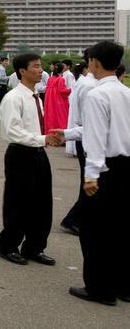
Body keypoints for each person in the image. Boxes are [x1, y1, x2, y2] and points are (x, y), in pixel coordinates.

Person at [67, 41, 130, 306]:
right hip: (126, 166)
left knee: (95, 231)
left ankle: (99, 288)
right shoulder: (126, 93)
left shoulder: (96, 95)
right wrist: (67, 133)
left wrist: (91, 176)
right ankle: (122, 285)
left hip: (104, 168)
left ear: (94, 62)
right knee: (122, 228)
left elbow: (95, 137)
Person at [0, 53, 60, 267]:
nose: (41, 70)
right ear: (22, 71)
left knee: (42, 203)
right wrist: (42, 138)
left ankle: (34, 247)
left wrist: (45, 139)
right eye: (36, 66)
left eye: (41, 66)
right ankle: (8, 246)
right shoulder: (14, 97)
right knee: (18, 203)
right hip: (20, 154)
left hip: (39, 153)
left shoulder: (36, 96)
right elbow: (12, 132)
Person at [52, 52, 96, 235]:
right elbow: (89, 121)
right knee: (91, 183)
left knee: (90, 183)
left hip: (83, 134)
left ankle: (77, 218)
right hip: (87, 138)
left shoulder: (86, 83)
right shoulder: (89, 85)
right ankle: (73, 219)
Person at [44, 62, 70, 133]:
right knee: (60, 116)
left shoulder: (50, 79)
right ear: (62, 70)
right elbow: (62, 91)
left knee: (51, 116)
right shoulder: (60, 79)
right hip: (58, 101)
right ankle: (60, 134)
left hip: (50, 101)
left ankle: (51, 133)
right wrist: (71, 90)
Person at [0, 57, 10, 122]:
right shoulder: (2, 69)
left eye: (7, 61)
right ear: (1, 62)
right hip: (1, 86)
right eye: (5, 61)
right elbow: (0, 78)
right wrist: (9, 77)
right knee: (2, 102)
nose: (6, 63)